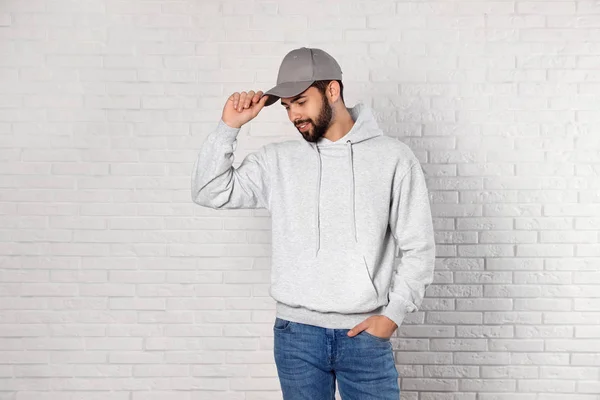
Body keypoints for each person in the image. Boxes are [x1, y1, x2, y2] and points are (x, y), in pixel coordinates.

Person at [191, 47, 436, 400]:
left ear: (332, 91)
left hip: (364, 333)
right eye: (288, 106)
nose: (294, 115)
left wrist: (392, 315)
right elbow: (209, 190)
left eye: (301, 102)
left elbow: (419, 247)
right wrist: (228, 127)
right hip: (297, 337)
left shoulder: (392, 159)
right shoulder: (278, 161)